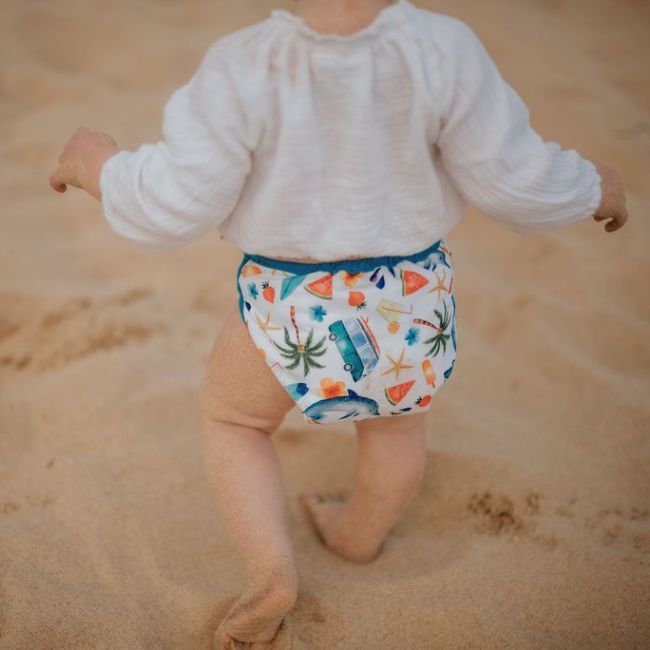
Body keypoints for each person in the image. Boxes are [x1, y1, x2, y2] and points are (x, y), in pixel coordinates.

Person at [48, 0, 629, 646]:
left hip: (291, 303)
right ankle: (358, 538)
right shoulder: (444, 48)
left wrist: (100, 166)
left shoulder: (243, 64)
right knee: (398, 427)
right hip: (408, 301)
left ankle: (270, 574)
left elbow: (173, 202)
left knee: (235, 422)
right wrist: (592, 186)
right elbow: (514, 178)